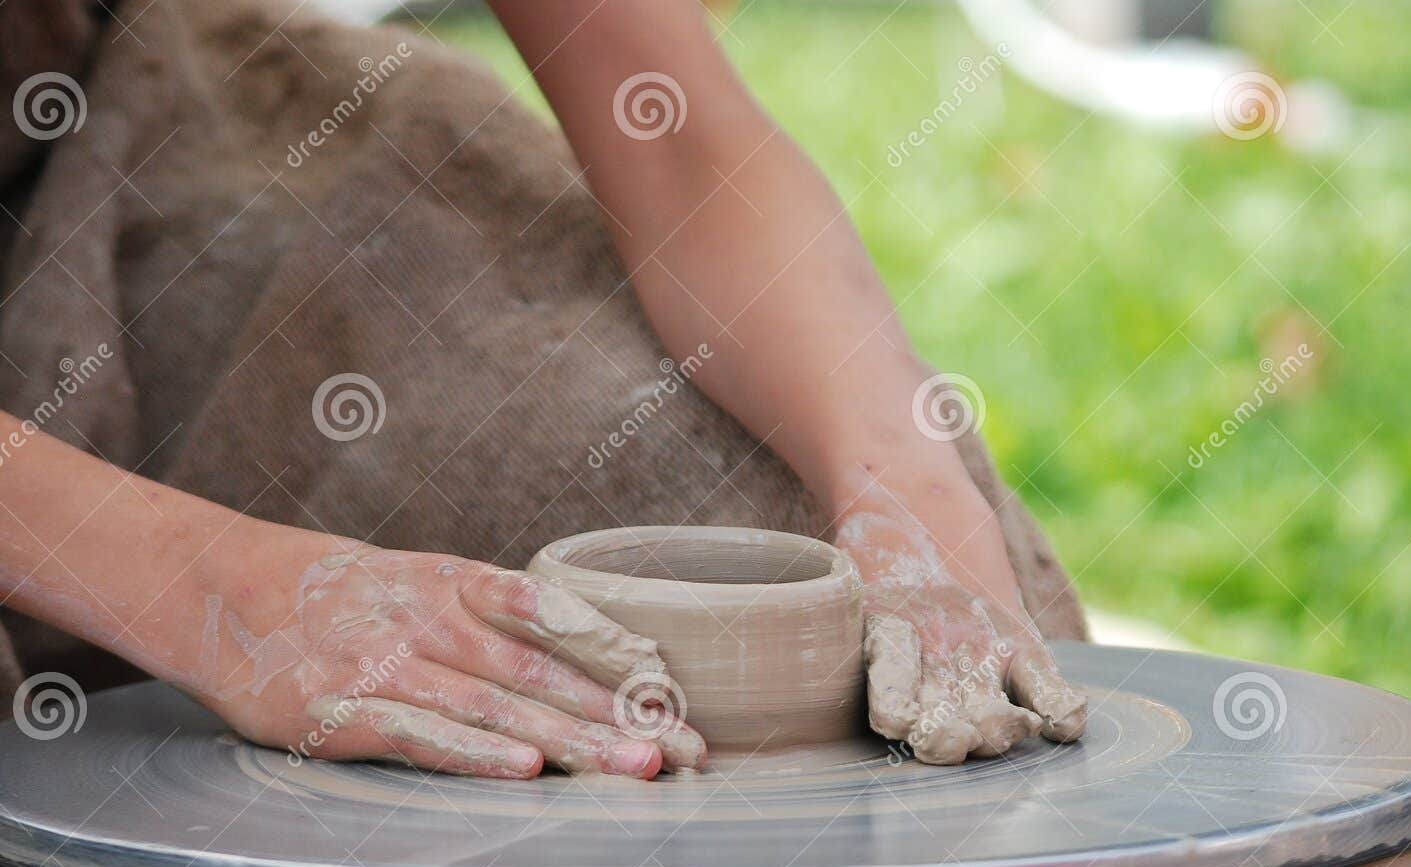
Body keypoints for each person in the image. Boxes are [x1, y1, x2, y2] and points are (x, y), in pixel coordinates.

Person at [0, 0, 1087, 779]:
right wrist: (221, 593)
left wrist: (903, 488)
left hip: (87, 107)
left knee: (783, 506)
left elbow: (677, 139)